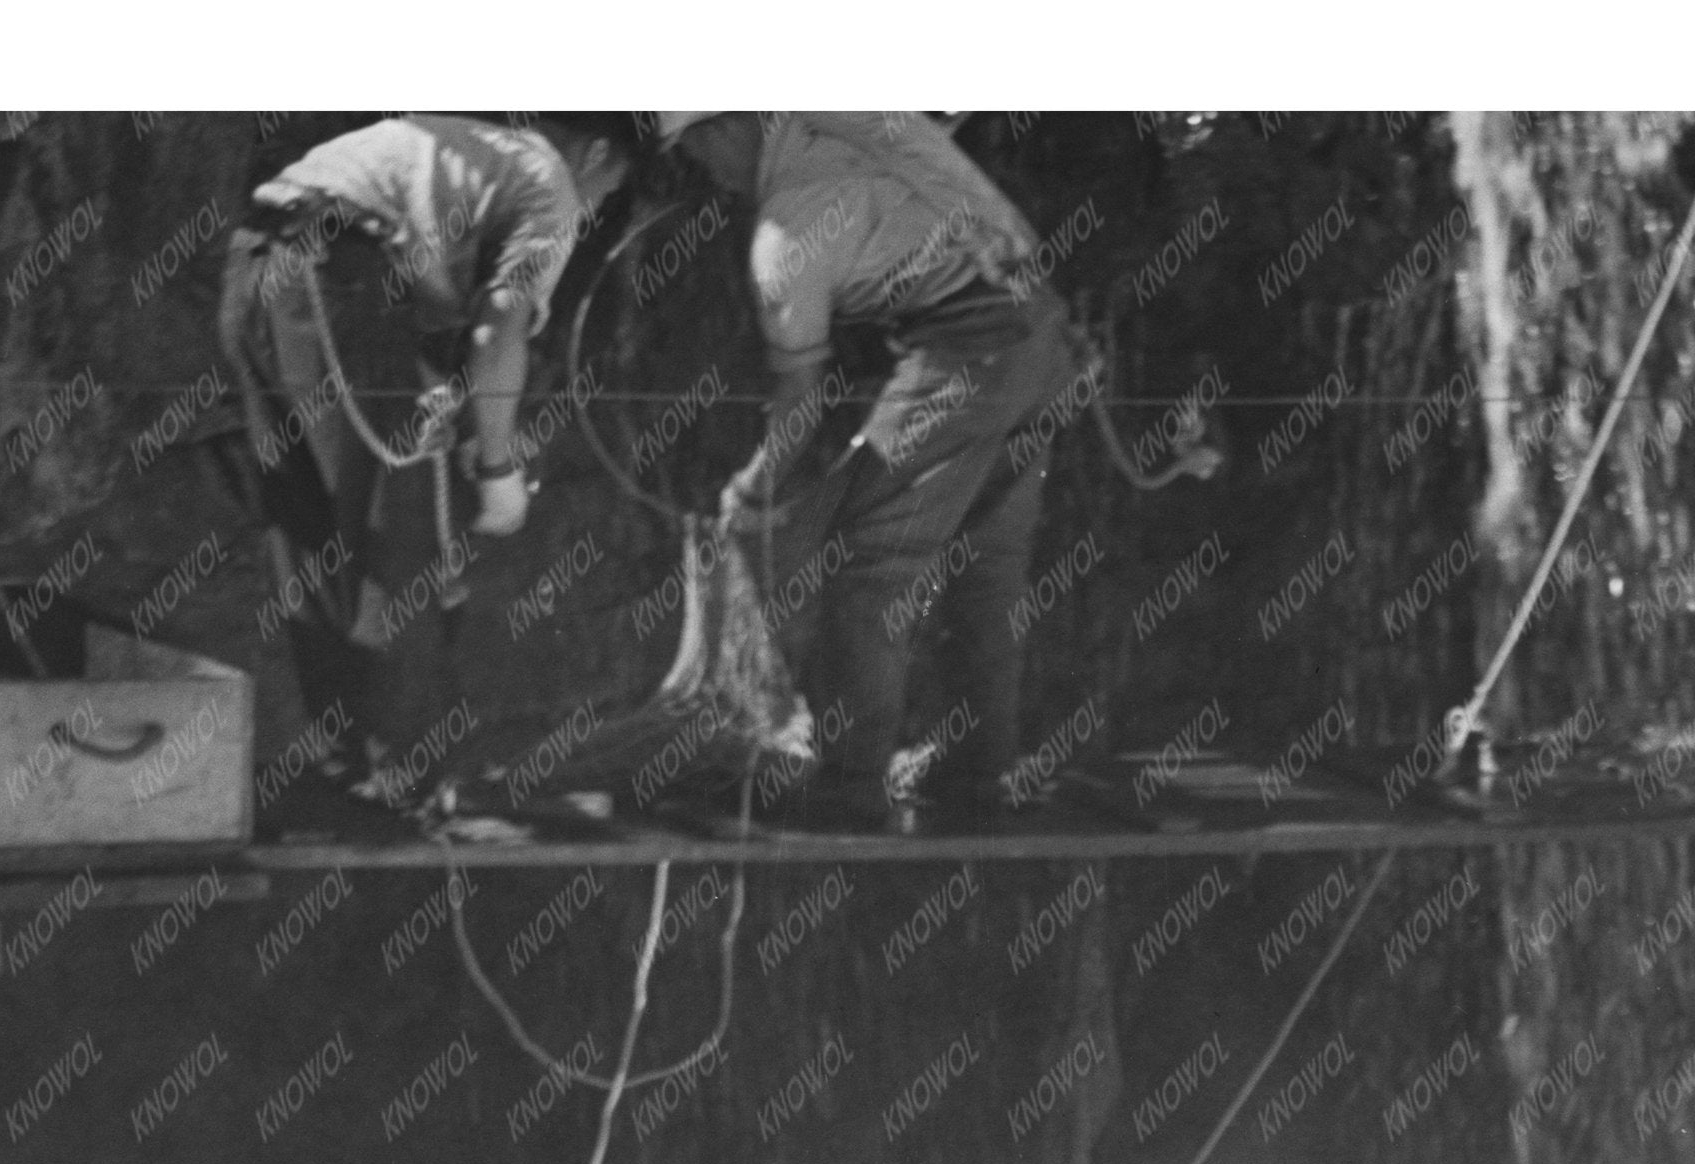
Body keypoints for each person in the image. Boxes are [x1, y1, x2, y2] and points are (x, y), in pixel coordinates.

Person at [660, 114, 1092, 822]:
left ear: (731, 123)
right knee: (986, 571)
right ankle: (975, 773)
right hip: (1041, 333)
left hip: (967, 348)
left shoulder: (784, 235)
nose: (707, 170)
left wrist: (753, 487)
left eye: (700, 146)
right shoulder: (854, 125)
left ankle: (847, 787)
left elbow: (801, 397)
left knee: (868, 566)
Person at [216, 115, 636, 814]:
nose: (587, 216)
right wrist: (498, 470)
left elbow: (443, 322)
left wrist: (465, 419)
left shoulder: (467, 159)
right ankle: (409, 776)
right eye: (605, 194)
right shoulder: (551, 181)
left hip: (257, 270)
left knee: (310, 535)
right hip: (330, 279)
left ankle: (339, 768)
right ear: (595, 152)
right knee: (404, 538)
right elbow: (502, 319)